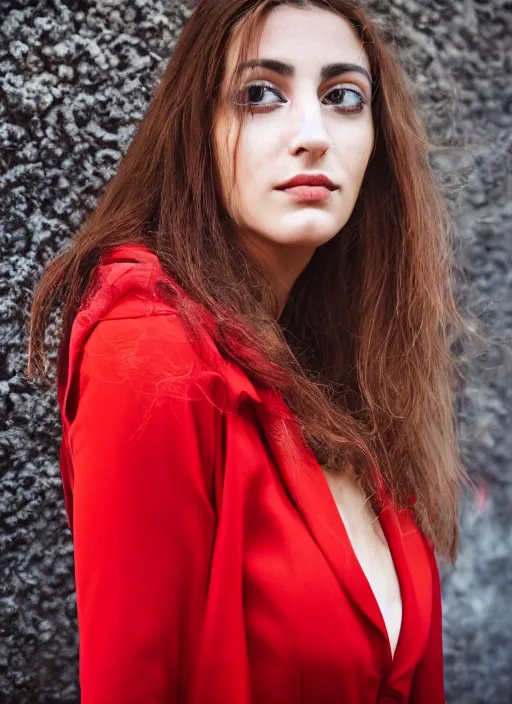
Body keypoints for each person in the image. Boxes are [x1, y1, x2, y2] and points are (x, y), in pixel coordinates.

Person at [27, 1, 477, 702]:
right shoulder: (148, 349)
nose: (313, 135)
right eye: (260, 94)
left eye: (343, 98)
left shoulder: (348, 366)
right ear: (196, 130)